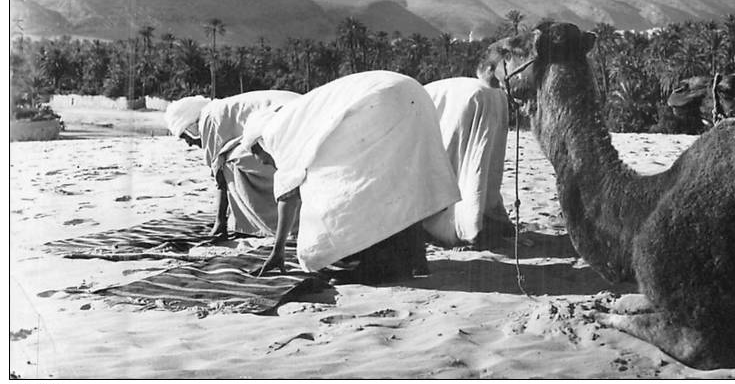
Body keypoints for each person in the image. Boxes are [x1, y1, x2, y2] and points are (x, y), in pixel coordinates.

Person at [240, 71, 460, 279]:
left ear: (258, 145)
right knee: (399, 183)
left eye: (262, 159)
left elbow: (288, 194)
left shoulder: (274, 133)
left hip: (383, 99)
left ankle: (381, 266)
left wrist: (277, 252)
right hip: (412, 91)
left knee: (359, 191)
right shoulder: (297, 116)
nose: (268, 164)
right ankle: (414, 259)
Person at [421, 77, 513, 247]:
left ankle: (467, 224)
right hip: (495, 96)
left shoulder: (421, 96)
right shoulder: (426, 91)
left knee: (458, 164)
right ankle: (483, 215)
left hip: (466, 100)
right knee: (483, 163)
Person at [196, 90, 300, 238]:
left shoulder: (209, 118)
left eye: (185, 137)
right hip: (296, 116)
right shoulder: (221, 108)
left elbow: (218, 177)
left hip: (289, 123)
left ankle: (257, 224)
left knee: (228, 161)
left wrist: (220, 222)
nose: (188, 143)